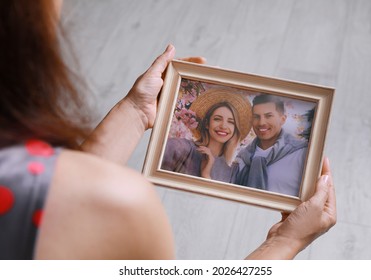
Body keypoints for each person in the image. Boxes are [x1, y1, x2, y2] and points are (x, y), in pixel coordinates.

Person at [0, 0, 336, 260]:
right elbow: (67, 200)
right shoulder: (133, 191)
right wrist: (285, 242)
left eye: (231, 121)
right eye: (218, 118)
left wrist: (135, 109)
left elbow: (59, 201)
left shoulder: (241, 166)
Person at [161, 89, 252, 182]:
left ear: (235, 129)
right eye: (217, 119)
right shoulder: (180, 148)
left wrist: (206, 175)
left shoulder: (233, 172)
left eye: (231, 122)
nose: (224, 126)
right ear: (207, 124)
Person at [235, 94, 308, 196]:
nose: (261, 122)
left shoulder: (302, 154)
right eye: (256, 117)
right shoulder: (243, 156)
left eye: (268, 116)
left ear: (282, 119)